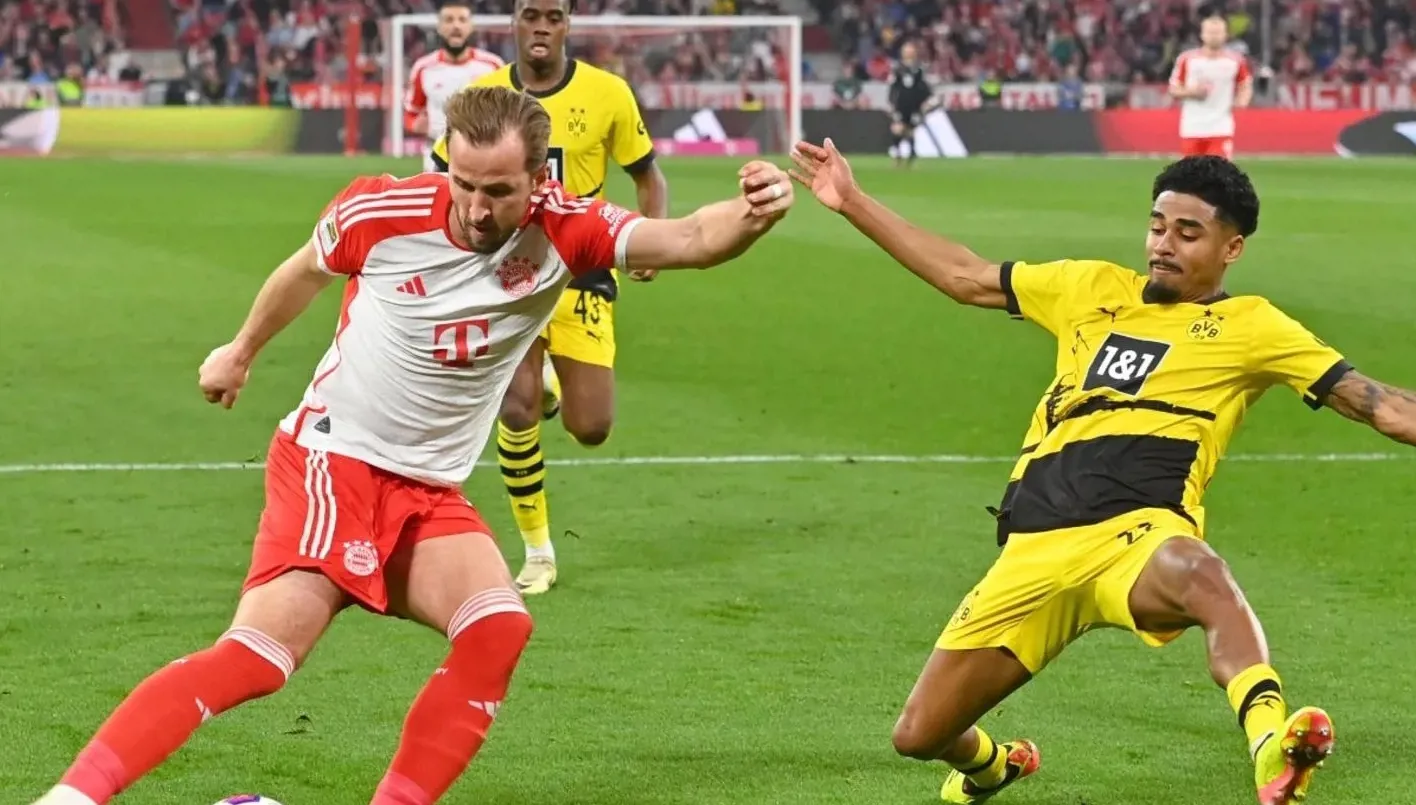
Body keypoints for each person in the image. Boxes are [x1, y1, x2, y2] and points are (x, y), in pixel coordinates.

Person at [29, 86, 794, 805]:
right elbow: (305, 270)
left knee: (498, 626)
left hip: (428, 490)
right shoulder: (381, 209)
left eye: (499, 191)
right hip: (335, 460)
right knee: (261, 656)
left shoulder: (566, 226)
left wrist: (755, 211)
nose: (477, 207)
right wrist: (240, 351)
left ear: (538, 179)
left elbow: (691, 237)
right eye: (464, 182)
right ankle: (69, 797)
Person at [789, 140, 1416, 805]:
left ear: (1231, 248)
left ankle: (1270, 745)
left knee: (1203, 575)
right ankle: (994, 766)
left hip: (1137, 537)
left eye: (1188, 233)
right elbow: (964, 276)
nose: (1163, 245)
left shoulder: (1253, 325)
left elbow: (1379, 404)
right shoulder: (1089, 288)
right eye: (1157, 226)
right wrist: (851, 201)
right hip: (1033, 550)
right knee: (918, 734)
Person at [430, 0, 671, 596]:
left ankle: (552, 389)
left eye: (554, 17)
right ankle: (538, 552)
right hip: (504, 273)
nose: (541, 26)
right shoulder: (484, 97)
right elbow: (441, 179)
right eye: (530, 14)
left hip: (581, 269)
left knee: (592, 427)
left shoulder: (607, 93)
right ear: (514, 21)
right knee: (516, 410)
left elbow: (648, 175)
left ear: (568, 24)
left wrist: (653, 239)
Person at [405, 0, 503, 172]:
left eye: (462, 20)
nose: (456, 25)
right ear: (439, 27)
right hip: (436, 155)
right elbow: (410, 114)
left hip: (482, 154)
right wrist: (415, 125)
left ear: (471, 26)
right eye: (449, 20)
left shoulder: (492, 66)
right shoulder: (424, 68)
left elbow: (508, 112)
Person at [1169, 13, 1252, 160]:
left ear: (1226, 35)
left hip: (1221, 127)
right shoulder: (1187, 59)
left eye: (1218, 32)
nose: (1214, 36)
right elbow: (1173, 89)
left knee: (1219, 172)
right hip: (1192, 127)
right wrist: (1192, 92)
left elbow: (1245, 83)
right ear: (1202, 34)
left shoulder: (1235, 61)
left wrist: (1242, 99)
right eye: (1210, 32)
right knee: (1191, 173)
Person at [889, 42, 933, 168]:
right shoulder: (898, 69)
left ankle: (911, 156)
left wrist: (924, 103)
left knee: (909, 131)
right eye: (906, 51)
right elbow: (893, 87)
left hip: (914, 105)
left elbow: (923, 87)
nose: (908, 53)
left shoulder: (919, 69)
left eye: (910, 51)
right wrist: (892, 102)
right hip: (901, 104)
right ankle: (897, 155)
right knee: (897, 129)